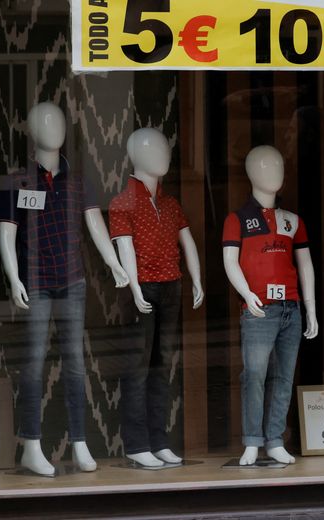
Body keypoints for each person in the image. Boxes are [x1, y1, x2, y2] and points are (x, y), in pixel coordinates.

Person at [0, 102, 129, 475]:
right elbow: (6, 234)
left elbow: (95, 225)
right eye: (43, 120)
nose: (52, 127)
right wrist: (14, 277)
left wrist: (114, 262)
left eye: (57, 120)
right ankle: (32, 446)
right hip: (36, 280)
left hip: (72, 279)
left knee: (75, 363)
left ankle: (80, 441)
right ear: (30, 130)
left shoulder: (77, 180)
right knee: (34, 364)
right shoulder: (17, 180)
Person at [109, 128, 204, 467]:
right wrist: (133, 287)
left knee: (161, 366)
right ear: (136, 155)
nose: (165, 154)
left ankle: (158, 439)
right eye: (156, 148)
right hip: (144, 288)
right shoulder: (123, 202)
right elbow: (124, 249)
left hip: (170, 285)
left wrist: (196, 279)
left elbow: (187, 241)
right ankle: (136, 443)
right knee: (137, 366)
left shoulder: (169, 202)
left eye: (166, 147)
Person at [222, 145, 318, 466]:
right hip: (260, 307)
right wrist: (248, 295)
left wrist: (311, 308)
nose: (275, 171)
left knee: (284, 376)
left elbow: (305, 265)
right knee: (254, 374)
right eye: (266, 166)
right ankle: (252, 440)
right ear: (251, 173)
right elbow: (229, 261)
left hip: (291, 307)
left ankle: (275, 438)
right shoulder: (237, 220)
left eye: (279, 165)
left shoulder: (292, 221)